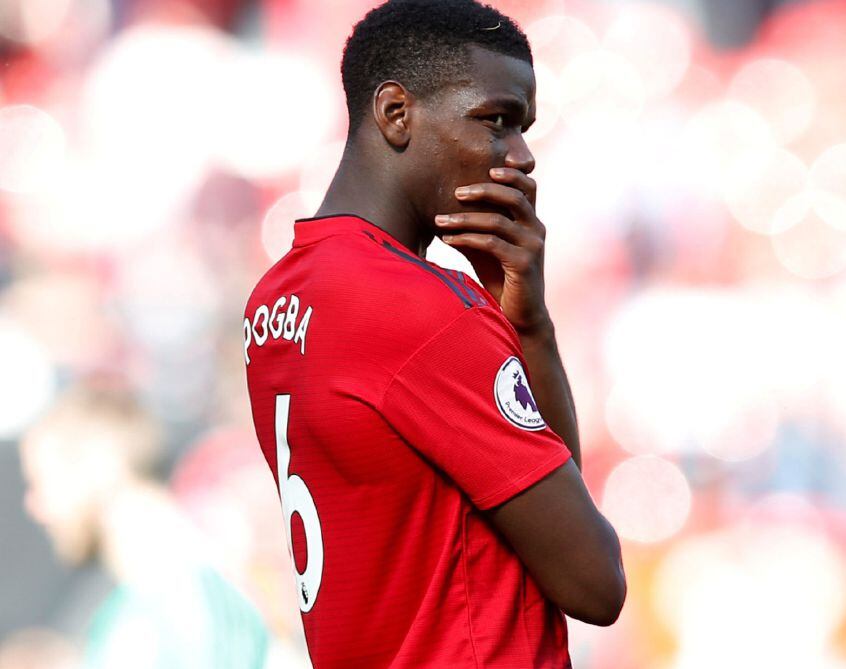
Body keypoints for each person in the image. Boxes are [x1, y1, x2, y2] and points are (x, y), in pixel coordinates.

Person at [242, 0, 626, 667]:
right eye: (496, 120)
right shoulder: (423, 311)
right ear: (396, 113)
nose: (523, 155)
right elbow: (593, 581)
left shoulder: (274, 300)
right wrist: (515, 328)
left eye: (524, 128)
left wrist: (526, 322)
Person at [18, 384, 269, 668]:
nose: (34, 506)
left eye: (41, 483)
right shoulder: (183, 583)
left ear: (96, 465)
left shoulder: (170, 602)